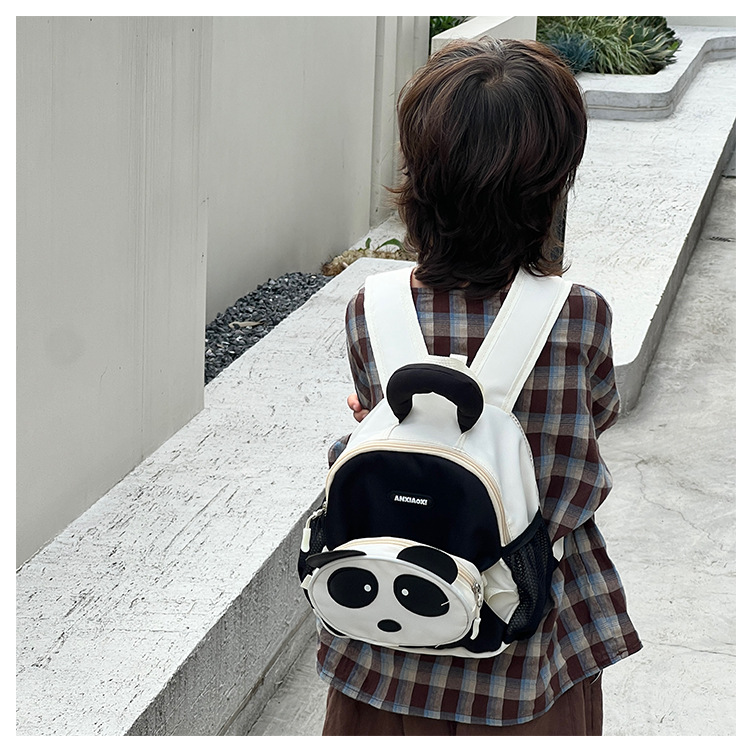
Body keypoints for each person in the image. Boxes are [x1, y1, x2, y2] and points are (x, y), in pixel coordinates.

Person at [317, 36, 642, 736]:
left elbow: (390, 424)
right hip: (527, 642)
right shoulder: (578, 315)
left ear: (419, 177)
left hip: (389, 633)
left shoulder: (371, 309)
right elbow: (597, 417)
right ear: (552, 184)